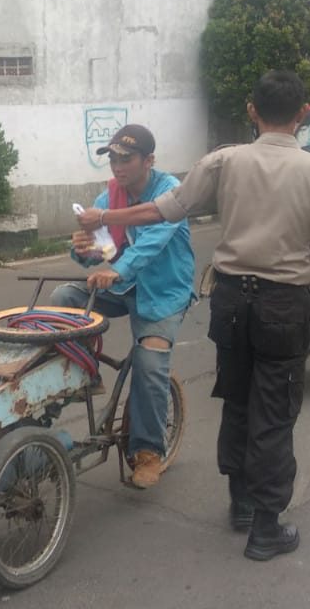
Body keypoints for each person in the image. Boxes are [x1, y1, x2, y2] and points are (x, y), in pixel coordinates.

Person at [78, 71, 310, 561]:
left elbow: (162, 212)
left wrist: (104, 219)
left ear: (252, 111)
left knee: (237, 397)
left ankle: (243, 503)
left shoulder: (224, 160)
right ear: (302, 114)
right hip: (281, 303)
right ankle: (267, 527)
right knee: (274, 410)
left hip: (231, 300)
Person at [52, 124, 195, 490]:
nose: (118, 165)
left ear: (149, 160)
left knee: (149, 362)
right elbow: (101, 251)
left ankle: (148, 452)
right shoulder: (109, 197)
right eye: (113, 158)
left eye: (126, 158)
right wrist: (82, 251)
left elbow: (150, 245)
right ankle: (87, 373)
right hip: (124, 284)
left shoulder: (170, 194)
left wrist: (115, 271)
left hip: (163, 292)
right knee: (62, 302)